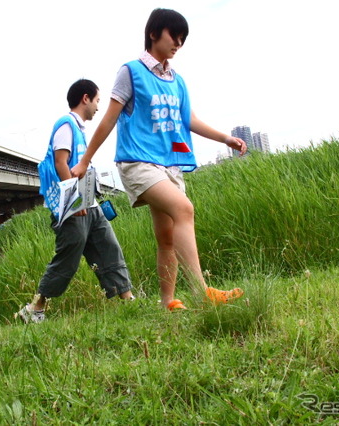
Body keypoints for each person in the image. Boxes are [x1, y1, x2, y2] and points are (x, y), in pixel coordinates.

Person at [71, 9, 246, 311]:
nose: (178, 42)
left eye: (183, 38)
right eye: (173, 36)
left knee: (167, 237)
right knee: (184, 209)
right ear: (154, 34)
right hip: (138, 161)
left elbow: (188, 119)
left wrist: (225, 139)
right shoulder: (131, 71)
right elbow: (109, 120)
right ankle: (202, 291)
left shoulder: (177, 81)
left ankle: (168, 301)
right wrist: (86, 160)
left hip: (169, 163)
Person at [18, 79, 135, 324]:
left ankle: (127, 298)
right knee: (68, 259)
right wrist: (75, 201)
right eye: (97, 101)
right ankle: (34, 308)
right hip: (74, 208)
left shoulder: (79, 130)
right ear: (85, 98)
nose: (98, 107)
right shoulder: (66, 125)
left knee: (109, 248)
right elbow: (61, 162)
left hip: (89, 206)